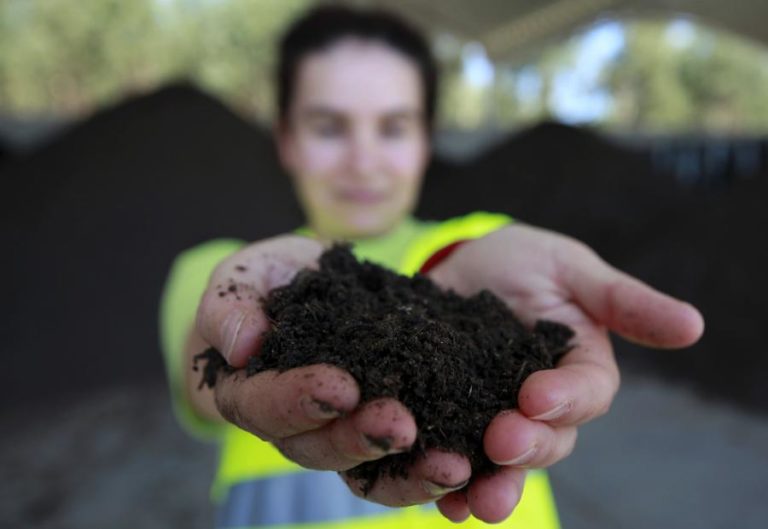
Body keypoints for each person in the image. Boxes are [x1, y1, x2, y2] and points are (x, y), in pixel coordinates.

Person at [160, 5, 704, 528]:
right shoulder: (228, 270)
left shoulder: (480, 247)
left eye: (393, 128)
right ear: (286, 140)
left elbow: (488, 274)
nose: (364, 159)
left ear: (426, 140)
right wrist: (239, 338)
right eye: (329, 127)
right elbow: (203, 369)